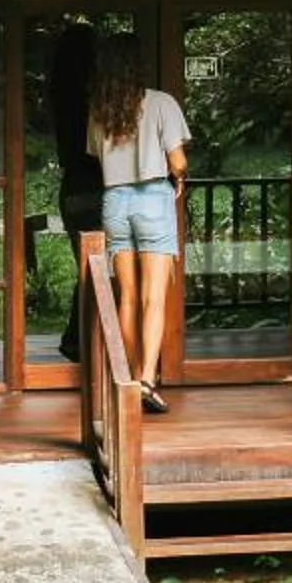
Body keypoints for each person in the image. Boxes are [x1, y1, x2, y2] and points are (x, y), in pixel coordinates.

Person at [87, 49, 187, 415]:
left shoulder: (100, 110)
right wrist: (180, 177)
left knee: (126, 297)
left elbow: (98, 157)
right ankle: (146, 380)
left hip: (115, 200)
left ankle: (129, 381)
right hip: (152, 198)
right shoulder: (161, 102)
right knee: (153, 298)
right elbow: (177, 161)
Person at [46, 20, 100, 360]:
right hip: (96, 187)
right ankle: (79, 340)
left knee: (90, 268)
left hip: (74, 189)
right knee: (99, 270)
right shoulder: (92, 100)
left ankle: (79, 339)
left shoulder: (60, 95)